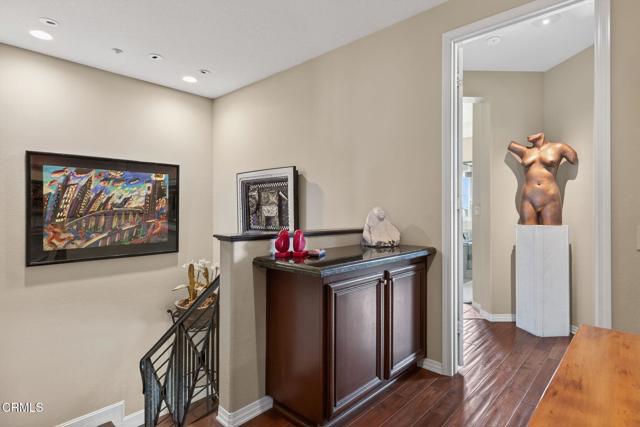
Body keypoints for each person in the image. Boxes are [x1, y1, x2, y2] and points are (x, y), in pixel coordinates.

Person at [507, 132, 577, 225]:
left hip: (549, 196)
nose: (529, 135)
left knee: (552, 232)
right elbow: (511, 145)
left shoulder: (558, 147)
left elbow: (573, 158)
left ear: (542, 135)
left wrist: (565, 150)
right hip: (528, 198)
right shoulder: (525, 151)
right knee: (527, 232)